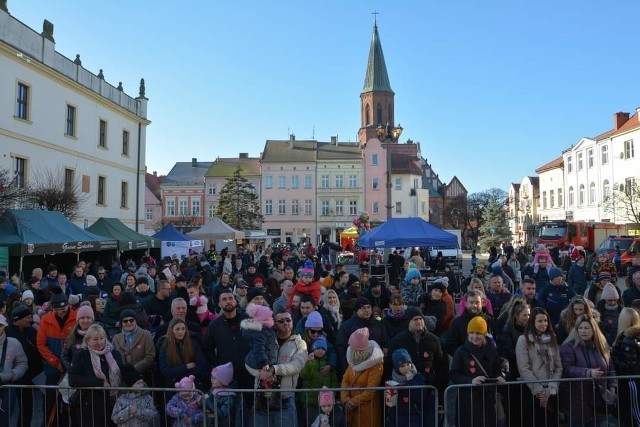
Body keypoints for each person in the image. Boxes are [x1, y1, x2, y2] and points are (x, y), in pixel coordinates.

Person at [202, 288, 252, 426]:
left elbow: (259, 342)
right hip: (228, 379)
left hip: (249, 374)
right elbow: (207, 347)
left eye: (230, 298)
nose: (228, 302)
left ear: (235, 300)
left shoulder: (247, 320)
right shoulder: (215, 325)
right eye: (224, 299)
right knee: (230, 416)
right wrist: (217, 365)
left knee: (249, 413)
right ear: (219, 304)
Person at [560, 314, 617, 427]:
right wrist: (588, 372)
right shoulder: (568, 347)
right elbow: (568, 368)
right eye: (580, 328)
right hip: (578, 400)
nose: (583, 331)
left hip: (601, 400)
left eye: (586, 328)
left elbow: (611, 368)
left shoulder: (602, 345)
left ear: (593, 329)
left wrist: (613, 387)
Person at [252, 309, 307, 426]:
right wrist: (263, 374)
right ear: (274, 323)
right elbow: (248, 362)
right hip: (261, 400)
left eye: (288, 320)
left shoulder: (300, 343)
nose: (285, 323)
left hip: (285, 400)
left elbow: (296, 366)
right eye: (281, 321)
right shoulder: (264, 339)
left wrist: (274, 370)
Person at [449, 316, 505, 427]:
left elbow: (496, 369)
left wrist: (499, 377)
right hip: (467, 399)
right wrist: (471, 381)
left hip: (488, 399)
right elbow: (454, 374)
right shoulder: (461, 351)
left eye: (478, 333)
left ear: (484, 334)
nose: (474, 336)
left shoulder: (492, 350)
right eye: (472, 333)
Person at [515, 307, 562, 427]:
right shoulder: (523, 340)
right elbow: (524, 368)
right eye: (540, 321)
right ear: (533, 322)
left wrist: (551, 388)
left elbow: (558, 367)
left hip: (551, 391)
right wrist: (539, 391)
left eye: (545, 321)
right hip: (532, 391)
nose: (544, 324)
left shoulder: (552, 338)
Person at [68, 324, 123, 426]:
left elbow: (122, 373)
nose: (99, 342)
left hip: (113, 403)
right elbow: (73, 379)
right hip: (89, 405)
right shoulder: (81, 356)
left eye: (102, 338)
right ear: (88, 340)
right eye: (95, 339)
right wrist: (99, 383)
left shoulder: (115, 354)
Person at [36, 287, 77, 420]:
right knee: (50, 402)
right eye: (57, 310)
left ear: (68, 306)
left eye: (63, 309)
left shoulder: (76, 317)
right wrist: (55, 362)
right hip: (52, 369)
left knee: (71, 404)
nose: (60, 312)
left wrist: (69, 363)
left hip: (71, 368)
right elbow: (41, 344)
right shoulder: (46, 320)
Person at [340, 327, 384, 427]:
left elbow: (371, 390)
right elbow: (345, 380)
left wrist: (352, 402)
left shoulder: (376, 364)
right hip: (351, 409)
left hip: (367, 409)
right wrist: (345, 399)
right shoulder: (353, 359)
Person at [158, 318, 209, 389]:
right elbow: (166, 372)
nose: (181, 332)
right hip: (174, 388)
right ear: (171, 330)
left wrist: (178, 374)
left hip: (193, 386)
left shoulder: (193, 344)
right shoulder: (165, 347)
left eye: (183, 329)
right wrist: (186, 367)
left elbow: (202, 367)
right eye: (177, 329)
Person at [299, 335, 340, 423]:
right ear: (313, 349)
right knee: (311, 422)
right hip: (310, 401)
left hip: (325, 402)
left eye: (323, 349)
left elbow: (334, 380)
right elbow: (304, 375)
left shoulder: (328, 365)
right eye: (318, 348)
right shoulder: (307, 361)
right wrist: (310, 363)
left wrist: (333, 392)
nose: (321, 350)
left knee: (325, 422)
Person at [386, 348, 430, 427]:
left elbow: (421, 397)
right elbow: (389, 403)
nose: (406, 368)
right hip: (397, 416)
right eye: (402, 366)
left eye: (408, 364)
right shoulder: (392, 379)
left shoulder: (418, 377)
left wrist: (411, 381)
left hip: (413, 416)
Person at [241, 303, 280, 391]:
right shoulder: (261, 331)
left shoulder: (266, 329)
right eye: (269, 316)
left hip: (263, 361)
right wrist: (264, 363)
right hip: (261, 363)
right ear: (263, 318)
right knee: (265, 389)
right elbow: (259, 348)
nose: (272, 318)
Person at [611, 311, 640, 427]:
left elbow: (631, 364)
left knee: (633, 413)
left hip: (631, 381)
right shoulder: (625, 338)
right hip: (629, 380)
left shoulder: (625, 339)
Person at [112, 308, 156, 385]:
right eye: (125, 321)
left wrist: (133, 370)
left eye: (131, 320)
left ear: (135, 321)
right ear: (121, 323)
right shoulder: (116, 338)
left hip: (143, 377)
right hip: (123, 379)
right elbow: (114, 358)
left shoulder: (146, 335)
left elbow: (150, 356)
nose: (128, 323)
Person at [0, 313, 28, 426]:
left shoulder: (13, 343)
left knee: (3, 421)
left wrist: (11, 375)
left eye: (0, 325)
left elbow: (22, 364)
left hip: (6, 388)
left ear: (4, 326)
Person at [205, 362, 237, 427]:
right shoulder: (212, 391)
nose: (212, 380)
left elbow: (221, 415)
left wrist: (208, 400)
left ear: (223, 380)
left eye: (215, 378)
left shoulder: (230, 397)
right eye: (212, 377)